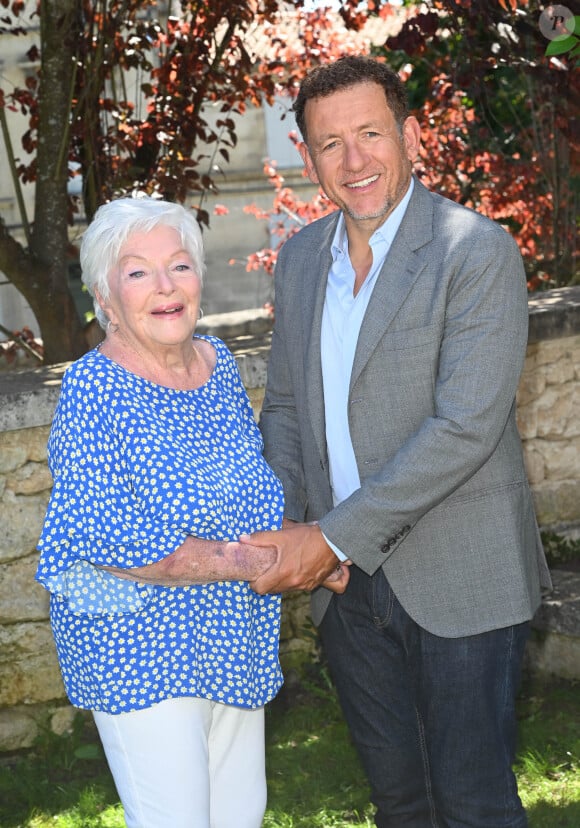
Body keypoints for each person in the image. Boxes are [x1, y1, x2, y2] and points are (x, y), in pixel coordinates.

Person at [246, 56, 552, 828]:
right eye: (329, 143)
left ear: (410, 135)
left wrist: (329, 538)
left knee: (472, 802)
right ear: (307, 157)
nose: (353, 162)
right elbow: (284, 408)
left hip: (459, 575)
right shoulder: (301, 263)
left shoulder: (473, 251)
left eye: (370, 133)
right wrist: (287, 531)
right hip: (346, 595)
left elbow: (464, 428)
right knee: (400, 804)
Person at [36, 196, 293, 828]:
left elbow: (246, 491)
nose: (164, 287)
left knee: (241, 816)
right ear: (106, 295)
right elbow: (112, 539)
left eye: (178, 265)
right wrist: (264, 562)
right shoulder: (92, 388)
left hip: (231, 631)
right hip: (137, 646)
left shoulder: (220, 367)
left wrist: (305, 552)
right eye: (137, 272)